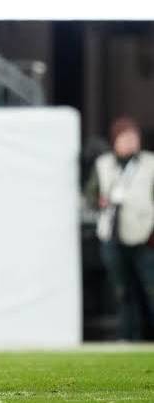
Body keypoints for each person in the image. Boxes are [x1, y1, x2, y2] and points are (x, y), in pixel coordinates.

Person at [84, 117, 154, 340]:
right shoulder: (104, 164)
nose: (131, 143)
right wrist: (100, 201)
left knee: (150, 286)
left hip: (145, 234)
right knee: (122, 290)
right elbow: (91, 195)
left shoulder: (149, 163)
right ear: (115, 141)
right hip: (113, 235)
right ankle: (128, 336)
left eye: (134, 138)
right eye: (125, 138)